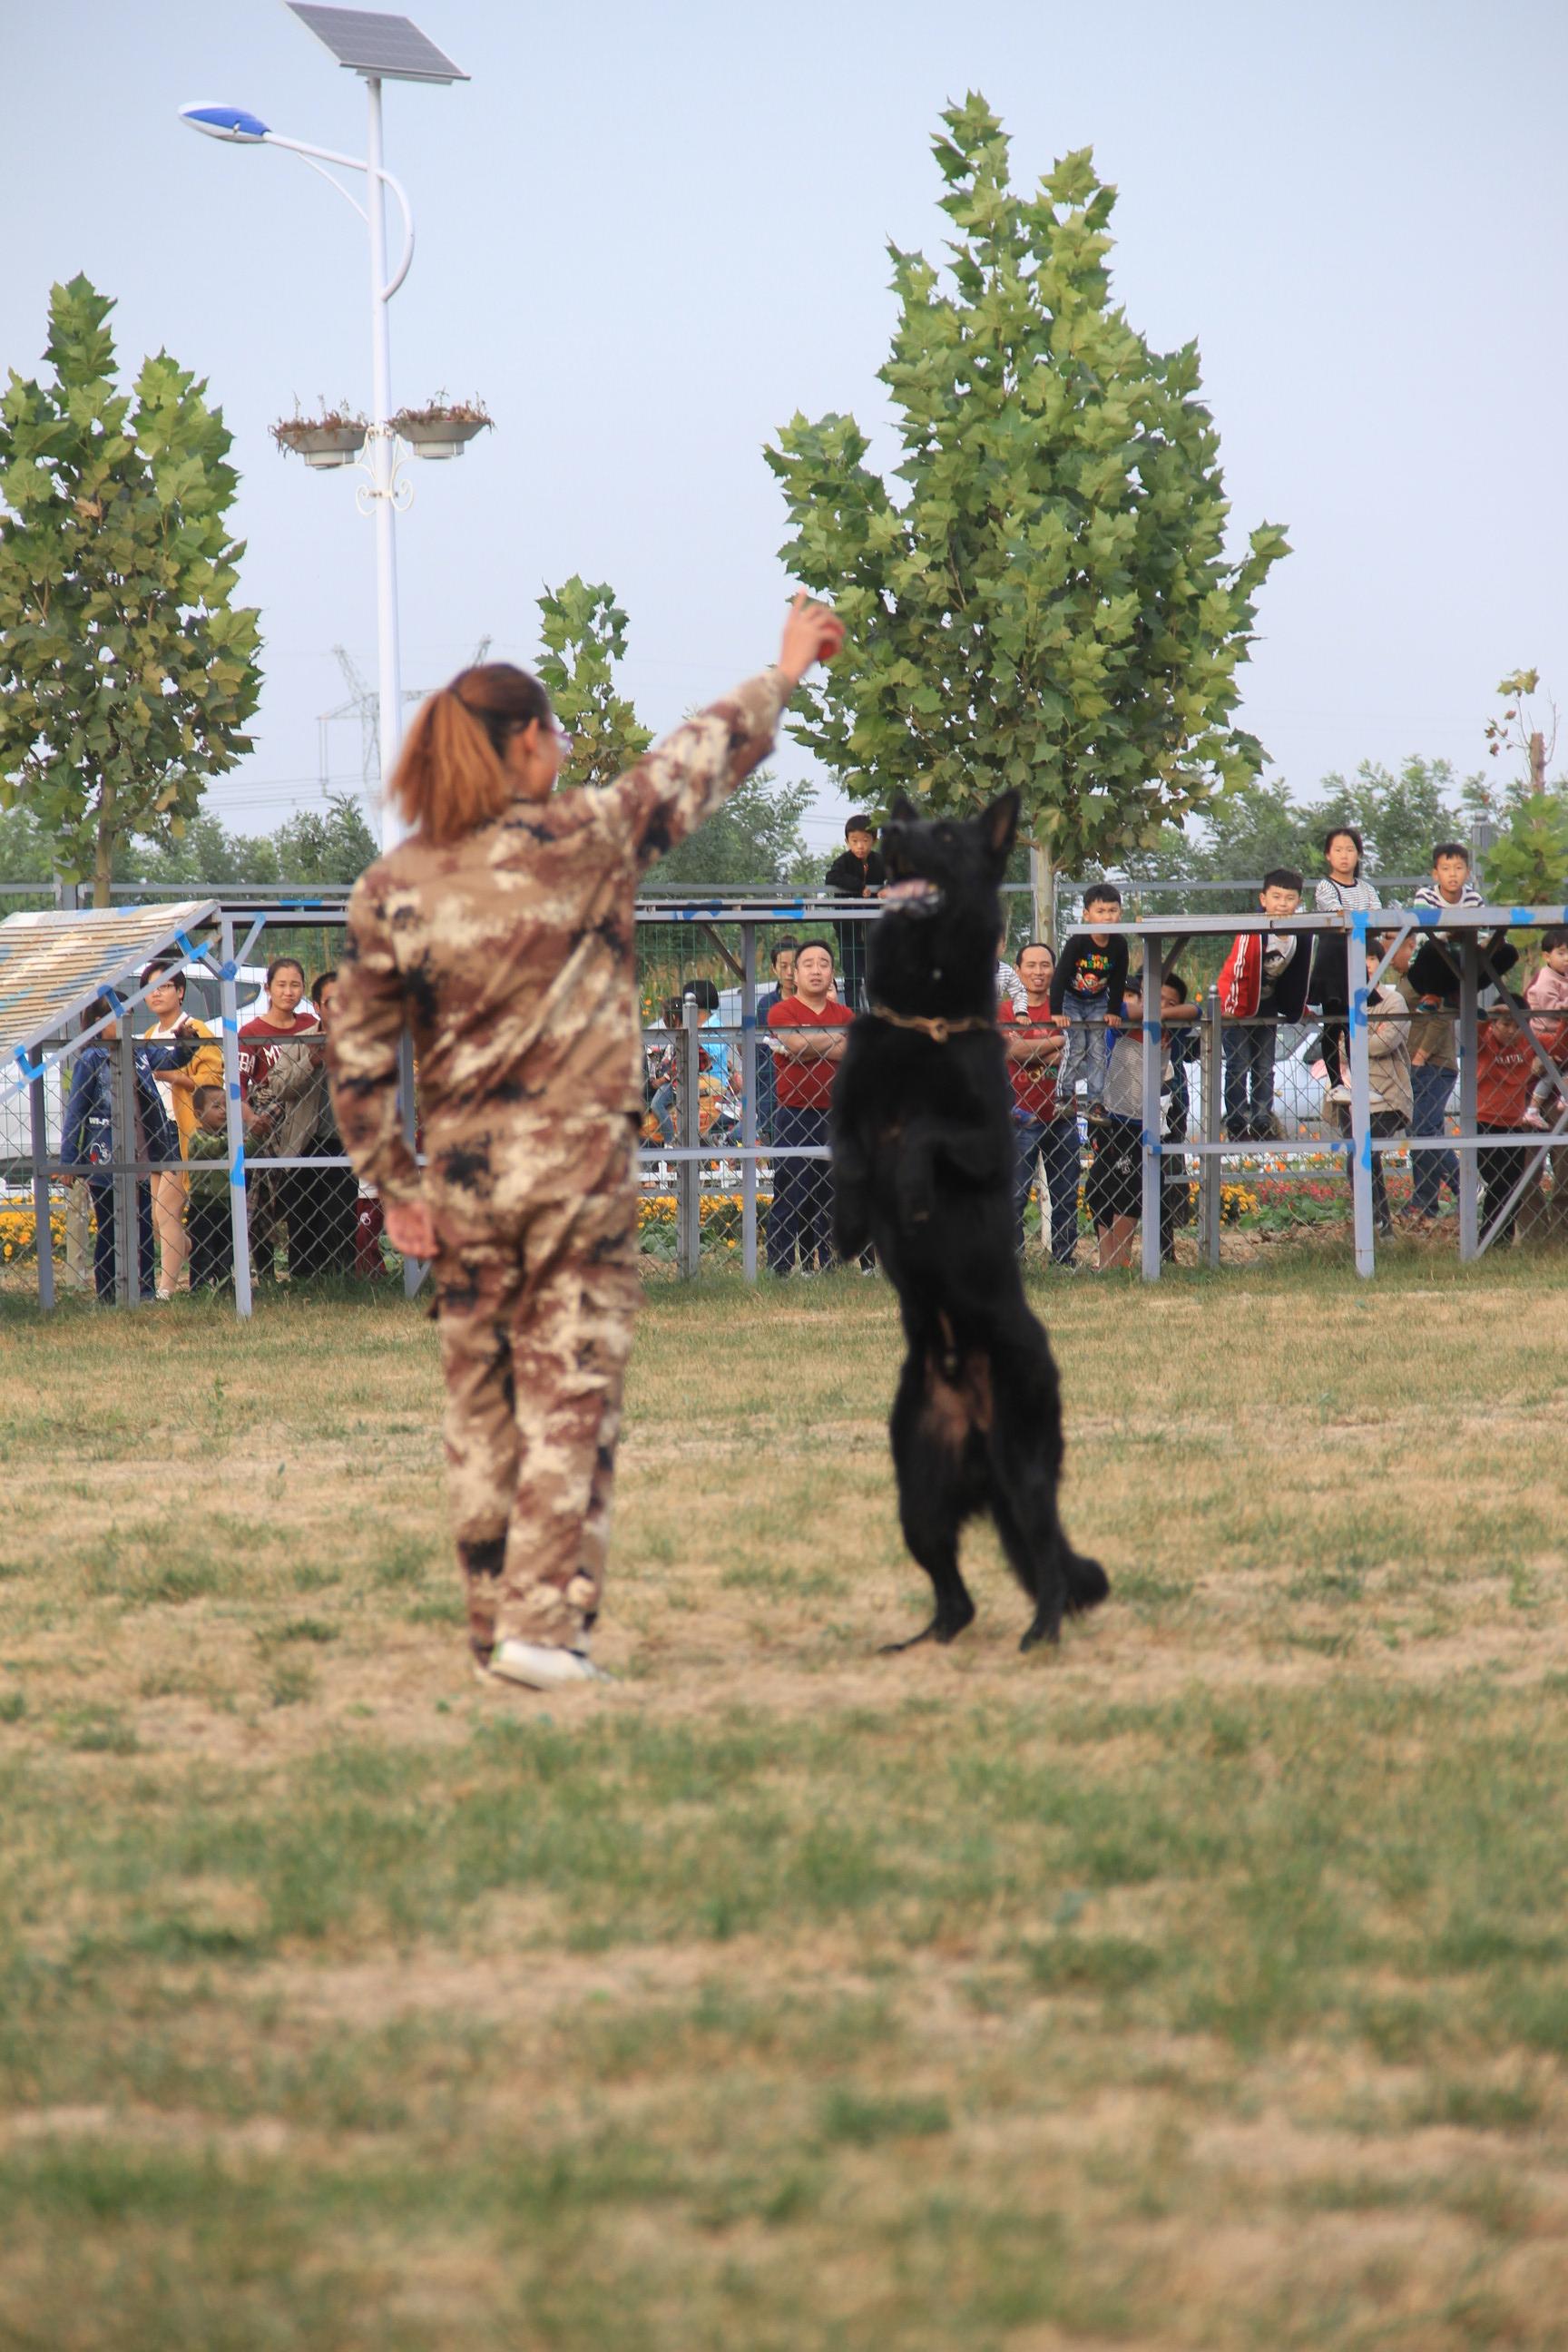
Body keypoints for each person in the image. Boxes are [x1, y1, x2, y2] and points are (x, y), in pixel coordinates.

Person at [328, 593, 842, 1691]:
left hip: (463, 1179)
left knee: (480, 1401)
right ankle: (541, 1627)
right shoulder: (589, 842)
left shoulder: (394, 888)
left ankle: (488, 1627)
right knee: (570, 1389)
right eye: (553, 733)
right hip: (574, 1173)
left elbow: (358, 1049)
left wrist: (392, 1179)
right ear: (523, 745)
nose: (563, 750)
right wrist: (785, 669)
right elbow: (693, 762)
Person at [61, 1000, 192, 1303]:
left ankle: (144, 1290)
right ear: (96, 1022)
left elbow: (173, 1060)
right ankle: (107, 1293)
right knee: (109, 1226)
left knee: (143, 1225)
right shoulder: (91, 1059)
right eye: (118, 1017)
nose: (126, 1023)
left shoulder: (139, 1051)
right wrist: (69, 1160)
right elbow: (76, 1112)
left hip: (140, 1155)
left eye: (129, 1016)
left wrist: (186, 1042)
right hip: (104, 1157)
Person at [765, 936, 853, 1274]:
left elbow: (850, 1051)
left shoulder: (845, 1013)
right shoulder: (781, 1011)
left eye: (824, 964)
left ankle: (829, 1267)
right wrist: (832, 1039)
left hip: (837, 1114)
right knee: (791, 1190)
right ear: (794, 974)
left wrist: (809, 1043)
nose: (816, 971)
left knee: (831, 1192)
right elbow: (794, 1044)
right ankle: (781, 1267)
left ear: (832, 973)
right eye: (808, 964)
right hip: (794, 1114)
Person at [139, 960, 223, 1298]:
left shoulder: (196, 1030)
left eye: (164, 986)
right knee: (160, 1223)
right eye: (150, 988)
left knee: (166, 1212)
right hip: (155, 1132)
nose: (156, 993)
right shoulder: (148, 1037)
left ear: (181, 992)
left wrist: (176, 1078)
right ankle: (204, 1257)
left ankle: (166, 1290)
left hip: (182, 1131)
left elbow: (213, 1081)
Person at [240, 957, 321, 1282]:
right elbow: (238, 1084)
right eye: (282, 985)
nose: (289, 992)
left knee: (301, 1201)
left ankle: (309, 1272)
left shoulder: (311, 1026)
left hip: (306, 1125)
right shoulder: (252, 1032)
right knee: (264, 1202)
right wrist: (251, 1118)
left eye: (295, 985)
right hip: (268, 1126)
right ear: (268, 989)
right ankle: (267, 1272)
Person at [1000, 941, 1079, 1265]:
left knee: (1065, 1194)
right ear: (1017, 971)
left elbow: (1075, 1055)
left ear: (1055, 970)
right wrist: (1058, 1041)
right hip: (1019, 1116)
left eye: (1045, 965)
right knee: (1015, 1195)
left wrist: (1031, 1046)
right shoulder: (1004, 1011)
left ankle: (1064, 1260)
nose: (1038, 972)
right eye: (1030, 965)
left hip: (1063, 1112)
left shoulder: (1066, 1009)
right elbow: (1011, 1052)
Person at [1218, 868, 1308, 1141]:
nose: (1282, 903)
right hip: (1237, 1003)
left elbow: (1295, 975)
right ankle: (1235, 1120)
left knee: (1264, 1065)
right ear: (1263, 899)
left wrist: (1297, 1004)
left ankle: (1261, 1119)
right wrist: (1232, 1007)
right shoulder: (1252, 931)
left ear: (1298, 902)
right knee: (1238, 1064)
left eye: (1290, 898)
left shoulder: (1296, 935)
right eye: (1276, 897)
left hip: (1265, 1004)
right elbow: (1238, 969)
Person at [1387, 932, 1461, 1224]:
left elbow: (1443, 1013)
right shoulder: (1406, 980)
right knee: (1422, 1133)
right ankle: (1425, 1202)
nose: (1388, 955)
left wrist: (1421, 1055)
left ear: (1410, 946)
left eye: (1393, 946)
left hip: (1433, 1066)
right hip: (1417, 1068)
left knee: (1423, 1133)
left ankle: (1466, 1185)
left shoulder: (1424, 974)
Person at [1309, 828, 1382, 1106]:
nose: (1344, 855)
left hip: (1356, 958)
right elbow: (1337, 916)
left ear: (1359, 855)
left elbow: (1377, 916)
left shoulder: (1367, 889)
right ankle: (1336, 1083)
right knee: (1333, 1024)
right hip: (1332, 961)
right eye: (1338, 850)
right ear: (1328, 855)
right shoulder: (1326, 886)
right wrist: (1359, 919)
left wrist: (1360, 920)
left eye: (1350, 850)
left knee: (1355, 1025)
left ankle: (1360, 1084)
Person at [1048, 883, 1128, 1123]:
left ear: (1120, 913)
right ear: (1087, 914)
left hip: (1097, 1001)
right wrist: (1056, 1011)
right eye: (1100, 911)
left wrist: (1113, 1010)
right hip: (1072, 1000)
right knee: (1076, 1045)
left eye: (1112, 911)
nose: (1107, 916)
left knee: (1098, 1049)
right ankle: (1063, 1097)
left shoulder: (1119, 944)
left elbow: (1118, 978)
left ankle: (1096, 1103)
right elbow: (1060, 976)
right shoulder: (1078, 942)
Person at [1357, 941, 1413, 1239]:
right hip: (1351, 1096)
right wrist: (1358, 1042)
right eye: (1360, 957)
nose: (1366, 964)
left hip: (1387, 1095)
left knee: (1369, 1152)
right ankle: (1377, 1225)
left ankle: (1380, 1227)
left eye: (1371, 957)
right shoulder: (1345, 1002)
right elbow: (1334, 1047)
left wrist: (1353, 1042)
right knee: (1359, 1159)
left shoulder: (1394, 1002)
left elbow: (1385, 1043)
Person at [1475, 996, 1539, 1244]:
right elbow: (1473, 1035)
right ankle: (1488, 1239)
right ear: (1495, 1024)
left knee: (1513, 1185)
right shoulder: (1485, 1042)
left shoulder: (1527, 1042)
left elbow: (1557, 1045)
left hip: (1514, 1124)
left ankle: (1503, 1238)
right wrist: (1488, 1015)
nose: (1512, 1031)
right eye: (1506, 1024)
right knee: (1498, 1181)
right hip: (1484, 1122)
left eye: (1517, 1025)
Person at [1159, 971, 1200, 1261]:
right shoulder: (1126, 1020)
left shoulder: (1176, 1029)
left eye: (1169, 1003)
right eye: (1155, 999)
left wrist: (1162, 1015)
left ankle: (1166, 1250)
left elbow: (1201, 1010)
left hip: (1171, 1107)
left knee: (1166, 1175)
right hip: (1129, 1105)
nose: (1161, 1007)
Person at [824, 816, 885, 1010]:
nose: (860, 846)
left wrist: (887, 888)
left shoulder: (879, 861)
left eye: (865, 841)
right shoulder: (843, 862)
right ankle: (852, 1014)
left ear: (874, 841)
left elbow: (896, 875)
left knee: (874, 972)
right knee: (851, 975)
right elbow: (831, 877)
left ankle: (878, 1015)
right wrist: (860, 887)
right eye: (855, 841)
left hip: (873, 927)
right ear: (847, 842)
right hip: (848, 927)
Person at [184, 1084, 237, 1290]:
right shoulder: (198, 1138)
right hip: (203, 1206)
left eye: (226, 1106)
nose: (223, 1111)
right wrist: (230, 1142)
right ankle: (199, 1288)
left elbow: (245, 1151)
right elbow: (210, 1150)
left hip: (227, 1204)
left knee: (226, 1251)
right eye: (216, 1106)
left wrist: (255, 1138)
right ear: (199, 1113)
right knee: (202, 1252)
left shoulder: (229, 1138)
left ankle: (225, 1286)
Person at [1524, 926, 1568, 1131]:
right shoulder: (1545, 979)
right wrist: (1564, 1006)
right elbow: (1550, 1009)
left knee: (1555, 1072)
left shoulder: (1563, 977)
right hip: (1546, 1034)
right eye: (1562, 953)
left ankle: (1560, 1098)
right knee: (1551, 1071)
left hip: (1560, 1034)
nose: (1567, 958)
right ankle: (1535, 1108)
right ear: (1547, 956)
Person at [753, 937, 798, 1142]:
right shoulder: (766, 1004)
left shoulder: (811, 1001)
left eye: (794, 965)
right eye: (783, 966)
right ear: (774, 969)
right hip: (771, 1087)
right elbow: (764, 1050)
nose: (790, 972)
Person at [1413, 840, 1484, 915]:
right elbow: (1422, 925)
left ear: (1467, 873)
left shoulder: (1475, 899)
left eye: (1458, 868)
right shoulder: (1426, 897)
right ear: (1435, 874)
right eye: (1445, 868)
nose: (1452, 874)